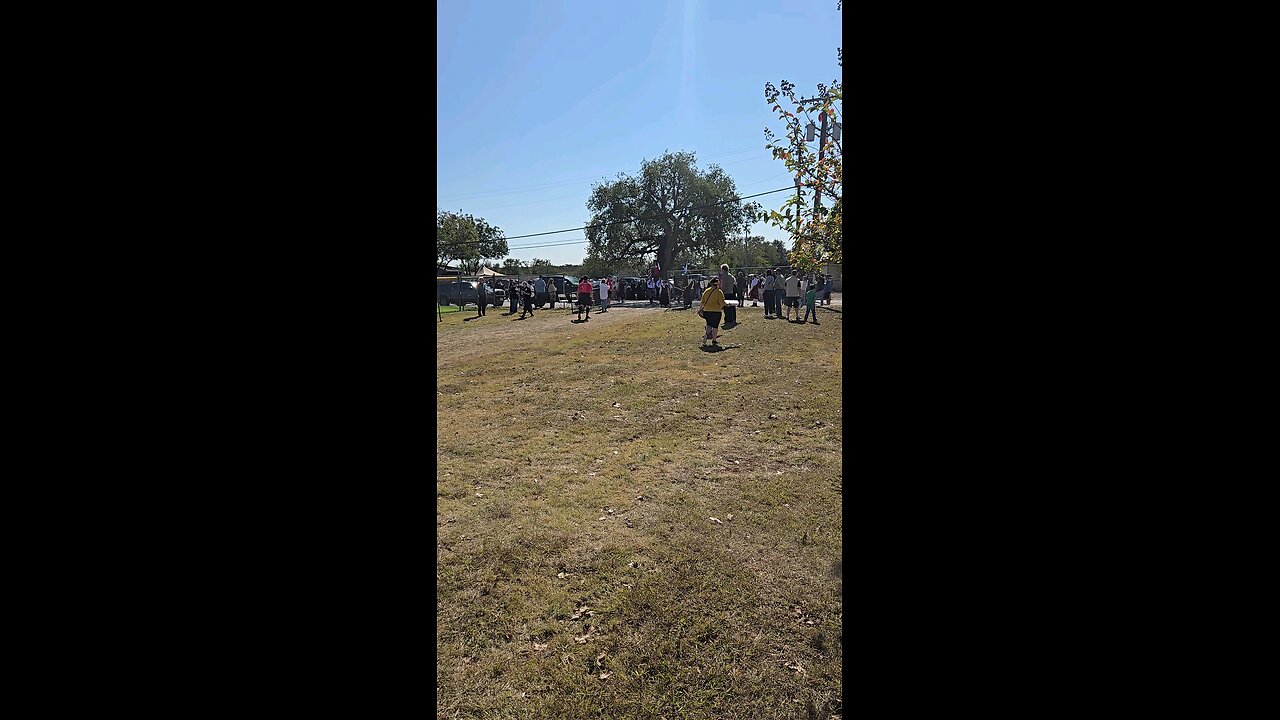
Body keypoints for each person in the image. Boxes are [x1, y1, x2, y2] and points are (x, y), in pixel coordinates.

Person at [698, 277, 726, 347]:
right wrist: (728, 305)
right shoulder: (719, 292)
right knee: (715, 326)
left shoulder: (706, 291)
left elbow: (702, 301)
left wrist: (700, 309)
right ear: (717, 284)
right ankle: (714, 340)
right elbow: (722, 303)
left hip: (707, 311)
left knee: (709, 324)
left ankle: (706, 335)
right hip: (716, 311)